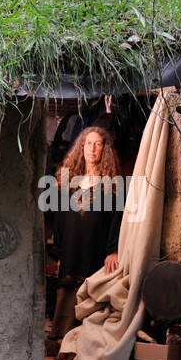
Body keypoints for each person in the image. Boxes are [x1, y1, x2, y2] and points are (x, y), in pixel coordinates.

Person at [50, 126, 123, 342]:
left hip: (96, 250)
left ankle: (83, 348)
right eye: (88, 143)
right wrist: (59, 252)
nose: (92, 149)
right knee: (67, 294)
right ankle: (63, 345)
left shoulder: (113, 187)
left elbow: (118, 221)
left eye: (98, 144)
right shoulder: (69, 183)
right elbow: (60, 221)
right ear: (81, 148)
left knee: (91, 298)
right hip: (71, 251)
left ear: (104, 150)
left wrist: (114, 250)